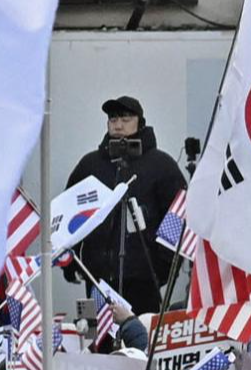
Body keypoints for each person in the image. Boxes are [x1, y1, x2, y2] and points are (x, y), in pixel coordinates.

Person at [66, 97, 185, 307]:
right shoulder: (90, 166)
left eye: (125, 118)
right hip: (98, 278)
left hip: (145, 278)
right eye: (113, 119)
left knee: (140, 337)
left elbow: (178, 215)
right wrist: (70, 262)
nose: (118, 124)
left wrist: (165, 265)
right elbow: (69, 213)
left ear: (140, 121)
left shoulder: (161, 165)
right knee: (101, 337)